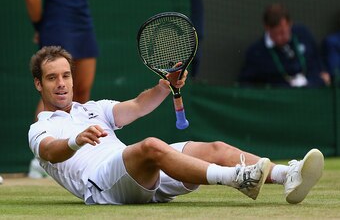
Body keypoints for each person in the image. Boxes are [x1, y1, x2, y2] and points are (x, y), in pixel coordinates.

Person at [28, 46, 324, 205]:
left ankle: (288, 174)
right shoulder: (41, 127)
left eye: (66, 75)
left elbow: (138, 106)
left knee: (214, 148)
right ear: (39, 84)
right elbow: (51, 152)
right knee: (150, 146)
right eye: (52, 77)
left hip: (138, 176)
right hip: (102, 187)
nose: (62, 83)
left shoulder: (93, 109)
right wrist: (76, 140)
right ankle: (237, 178)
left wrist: (164, 86)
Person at [25, 0, 99, 178]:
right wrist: (39, 27)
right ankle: (41, 157)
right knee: (55, 91)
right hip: (56, 20)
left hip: (81, 17)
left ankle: (72, 150)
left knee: (81, 89)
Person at [239, 3, 330, 88]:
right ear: (266, 28)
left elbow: (320, 68)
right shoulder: (256, 53)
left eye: (283, 33)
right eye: (275, 34)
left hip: (312, 92)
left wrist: (314, 81)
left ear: (290, 24)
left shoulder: (303, 34)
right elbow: (246, 84)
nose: (279, 38)